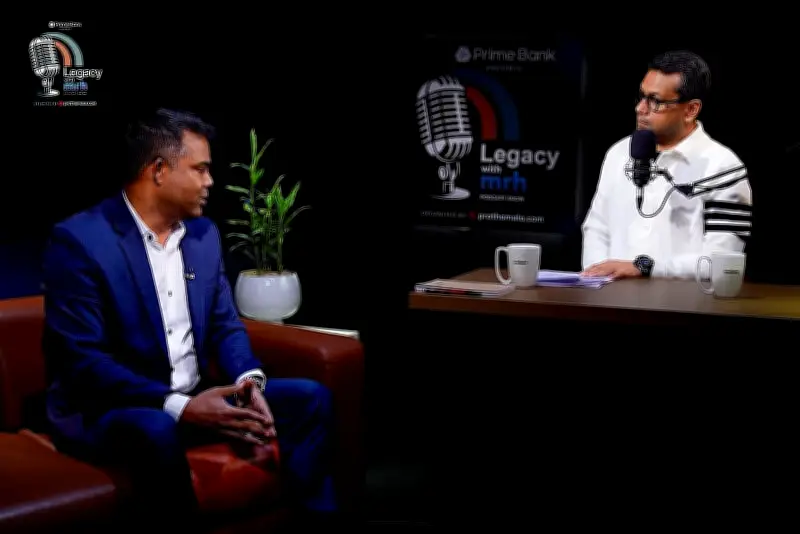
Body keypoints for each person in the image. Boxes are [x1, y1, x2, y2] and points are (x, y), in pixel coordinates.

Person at [41, 108, 337, 528]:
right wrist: (180, 406)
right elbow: (84, 362)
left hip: (194, 399)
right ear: (159, 170)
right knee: (157, 428)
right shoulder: (81, 242)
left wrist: (248, 382)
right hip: (114, 409)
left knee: (311, 399)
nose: (210, 181)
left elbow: (224, 324)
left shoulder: (202, 235)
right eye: (200, 169)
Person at [581, 50, 753, 279]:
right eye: (641, 96)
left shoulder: (723, 168)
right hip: (610, 297)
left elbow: (721, 262)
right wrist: (597, 275)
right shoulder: (619, 153)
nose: (640, 108)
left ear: (691, 110)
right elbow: (596, 227)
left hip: (683, 301)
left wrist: (645, 267)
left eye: (655, 101)